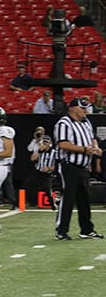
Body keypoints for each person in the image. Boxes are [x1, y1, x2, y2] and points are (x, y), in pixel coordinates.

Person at [53, 98, 103, 240]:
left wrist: (96, 147)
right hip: (68, 165)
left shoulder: (86, 122)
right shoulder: (64, 123)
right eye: (82, 108)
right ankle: (61, 230)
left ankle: (86, 230)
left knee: (84, 199)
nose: (85, 111)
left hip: (83, 166)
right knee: (67, 198)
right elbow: (63, 144)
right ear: (73, 108)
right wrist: (83, 149)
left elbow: (92, 138)